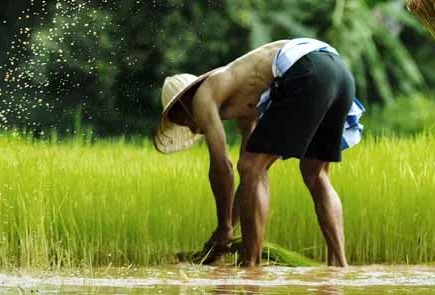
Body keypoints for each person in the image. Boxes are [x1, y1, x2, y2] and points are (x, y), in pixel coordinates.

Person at [154, 38, 364, 267]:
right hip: (338, 71)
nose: (191, 127)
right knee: (315, 172)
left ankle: (250, 267)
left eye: (181, 120)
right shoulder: (244, 93)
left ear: (184, 102)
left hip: (308, 68)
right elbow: (249, 181)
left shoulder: (204, 96)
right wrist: (228, 229)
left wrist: (224, 228)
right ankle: (339, 265)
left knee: (252, 166)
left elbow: (222, 166)